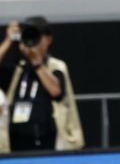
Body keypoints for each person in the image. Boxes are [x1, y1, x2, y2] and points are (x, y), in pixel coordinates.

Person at [0, 17, 83, 153]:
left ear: (48, 40)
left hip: (49, 140)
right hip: (16, 141)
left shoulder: (56, 66)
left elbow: (56, 91)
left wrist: (36, 61)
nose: (32, 41)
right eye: (27, 36)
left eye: (36, 36)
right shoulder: (18, 69)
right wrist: (8, 40)